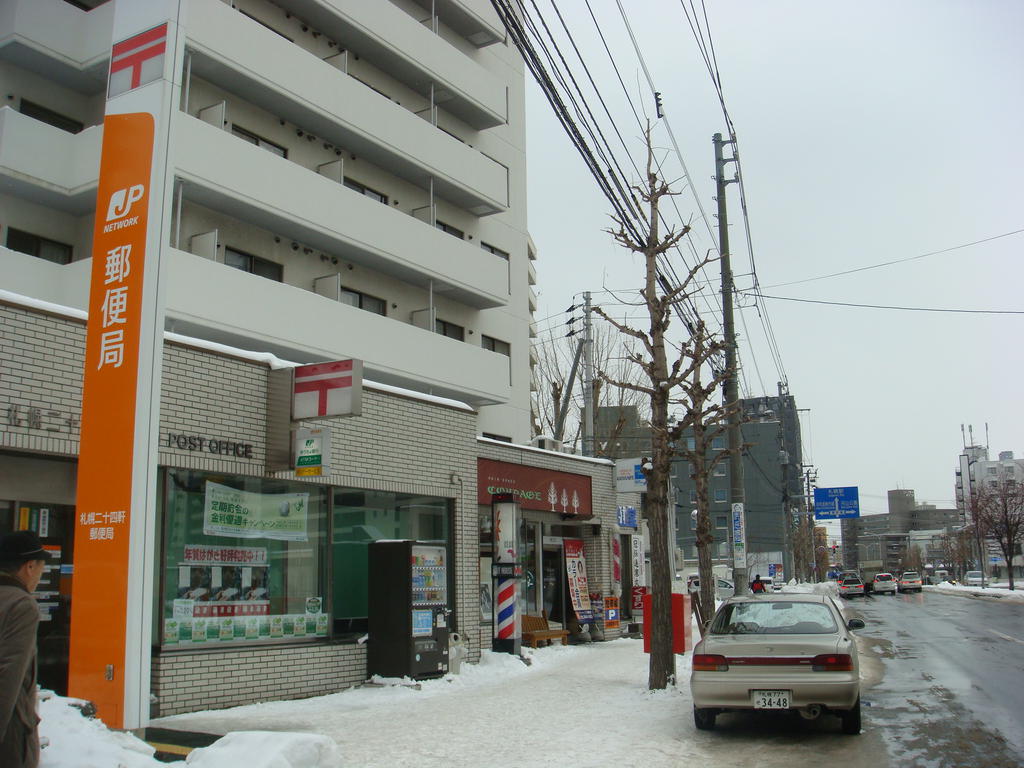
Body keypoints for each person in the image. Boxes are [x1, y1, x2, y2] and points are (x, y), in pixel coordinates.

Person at [0, 530, 51, 768]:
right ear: (29, 567)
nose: (39, 576)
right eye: (41, 568)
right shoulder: (21, 605)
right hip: (10, 736)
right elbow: (7, 676)